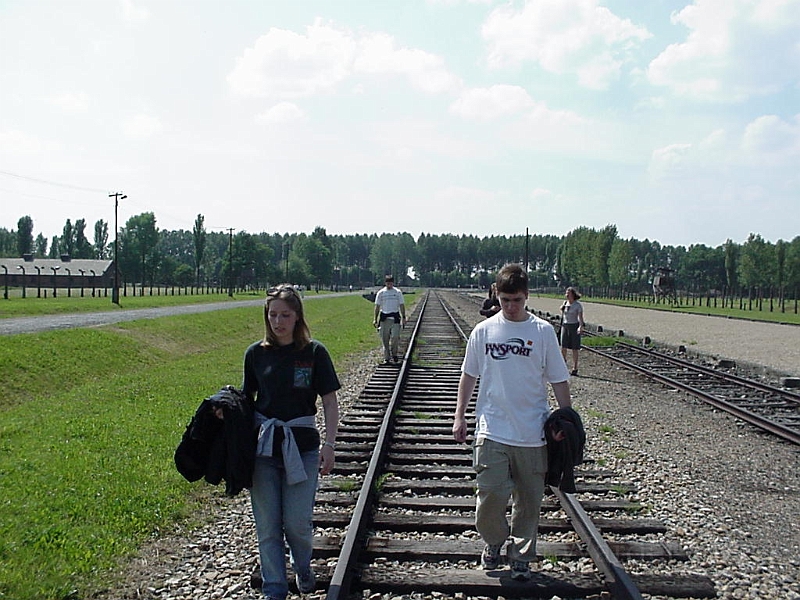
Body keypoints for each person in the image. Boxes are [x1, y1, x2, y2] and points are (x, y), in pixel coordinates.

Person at [452, 264, 572, 581]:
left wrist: (567, 421)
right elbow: (469, 374)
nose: (511, 306)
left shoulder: (543, 332)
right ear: (496, 294)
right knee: (490, 496)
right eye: (505, 300)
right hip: (492, 429)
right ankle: (494, 540)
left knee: (528, 502)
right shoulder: (484, 331)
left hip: (533, 433)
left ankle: (520, 555)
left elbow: (559, 380)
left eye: (516, 300)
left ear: (527, 296)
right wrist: (459, 414)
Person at [242, 284, 340, 600]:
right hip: (264, 449)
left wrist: (330, 445)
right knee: (268, 526)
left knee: (297, 522)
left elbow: (329, 402)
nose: (278, 321)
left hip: (304, 447)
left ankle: (303, 567)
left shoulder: (314, 353)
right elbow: (247, 400)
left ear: (297, 317)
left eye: (285, 315)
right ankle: (274, 588)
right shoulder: (256, 354)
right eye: (272, 315)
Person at [372, 274, 407, 364]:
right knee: (385, 339)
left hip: (395, 318)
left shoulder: (398, 292)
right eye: (388, 284)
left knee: (395, 337)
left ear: (393, 283)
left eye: (391, 284)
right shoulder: (381, 293)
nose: (389, 285)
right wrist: (375, 319)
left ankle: (394, 354)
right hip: (384, 319)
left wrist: (403, 317)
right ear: (385, 283)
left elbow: (402, 305)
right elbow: (377, 306)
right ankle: (386, 358)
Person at [560, 287, 584, 376]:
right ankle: (562, 365)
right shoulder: (565, 303)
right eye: (566, 293)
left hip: (574, 326)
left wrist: (580, 326)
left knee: (575, 348)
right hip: (565, 326)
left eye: (568, 293)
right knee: (563, 346)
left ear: (573, 294)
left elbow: (580, 318)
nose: (567, 294)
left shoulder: (577, 305)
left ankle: (575, 367)